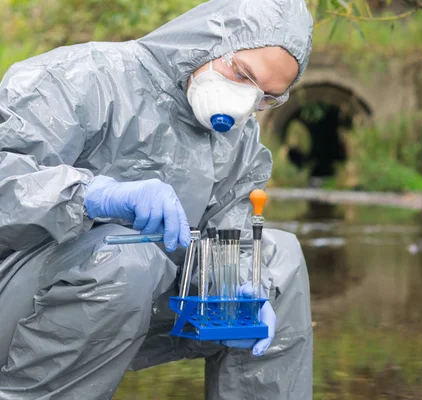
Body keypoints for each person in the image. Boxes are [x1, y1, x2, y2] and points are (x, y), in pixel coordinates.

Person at [0, 0, 314, 398]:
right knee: (124, 257)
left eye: (266, 97)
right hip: (23, 296)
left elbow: (232, 225)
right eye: (241, 74)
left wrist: (239, 284)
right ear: (209, 41)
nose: (243, 102)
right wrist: (91, 195)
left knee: (277, 263)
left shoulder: (237, 138)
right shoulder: (81, 78)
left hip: (127, 307)